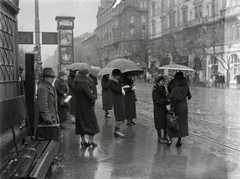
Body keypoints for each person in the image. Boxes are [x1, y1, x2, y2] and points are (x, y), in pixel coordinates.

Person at [73, 69, 99, 147]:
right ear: (85, 75)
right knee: (92, 123)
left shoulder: (76, 83)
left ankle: (83, 140)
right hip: (87, 106)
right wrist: (93, 96)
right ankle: (91, 141)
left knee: (81, 123)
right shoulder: (84, 84)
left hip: (78, 105)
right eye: (87, 74)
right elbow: (90, 97)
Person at [167, 72, 192, 147]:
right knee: (182, 124)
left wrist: (171, 110)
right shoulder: (186, 85)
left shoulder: (175, 87)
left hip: (177, 107)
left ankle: (170, 139)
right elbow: (189, 96)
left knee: (173, 122)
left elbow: (173, 100)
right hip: (184, 106)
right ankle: (179, 141)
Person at [108, 69, 129, 137]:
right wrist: (121, 85)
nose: (119, 77)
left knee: (121, 114)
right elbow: (117, 89)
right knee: (119, 115)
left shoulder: (117, 81)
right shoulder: (111, 82)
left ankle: (118, 129)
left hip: (120, 99)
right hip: (116, 100)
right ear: (115, 76)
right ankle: (117, 130)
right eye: (118, 75)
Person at [152, 76, 170, 144]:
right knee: (159, 123)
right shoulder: (155, 89)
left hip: (164, 108)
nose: (164, 82)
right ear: (159, 82)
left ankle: (165, 136)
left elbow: (164, 95)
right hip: (158, 109)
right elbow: (157, 100)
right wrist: (166, 100)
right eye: (163, 81)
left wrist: (167, 96)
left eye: (164, 81)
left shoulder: (163, 87)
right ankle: (159, 138)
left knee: (165, 122)